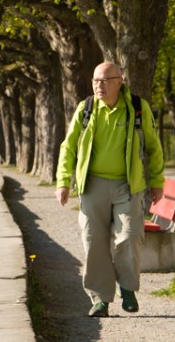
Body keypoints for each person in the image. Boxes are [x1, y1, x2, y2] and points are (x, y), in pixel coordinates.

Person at [56, 62, 166, 317]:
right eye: (95, 81)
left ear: (120, 81)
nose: (99, 86)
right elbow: (68, 147)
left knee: (128, 237)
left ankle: (127, 288)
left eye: (105, 80)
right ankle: (100, 299)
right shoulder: (86, 109)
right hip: (92, 185)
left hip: (127, 185)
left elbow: (154, 147)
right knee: (93, 242)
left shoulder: (137, 109)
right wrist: (63, 181)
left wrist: (157, 182)